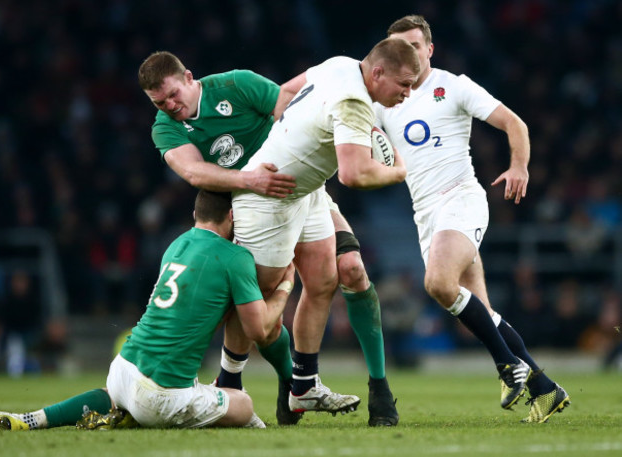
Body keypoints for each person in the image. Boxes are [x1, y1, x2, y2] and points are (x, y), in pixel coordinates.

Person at [138, 50, 401, 425]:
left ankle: (325, 383)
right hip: (251, 204)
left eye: (172, 95)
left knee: (342, 272)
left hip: (303, 188)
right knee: (255, 295)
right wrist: (252, 180)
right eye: (159, 102)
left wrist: (338, 137)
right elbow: (195, 173)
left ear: (189, 78)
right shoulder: (164, 126)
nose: (169, 106)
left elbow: (288, 105)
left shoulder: (235, 84)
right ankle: (242, 378)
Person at [375, 15, 570, 423]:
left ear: (429, 49)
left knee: (438, 283)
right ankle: (544, 389)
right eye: (398, 47)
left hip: (461, 198)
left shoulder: (453, 86)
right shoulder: (385, 99)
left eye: (414, 46)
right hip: (426, 214)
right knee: (478, 311)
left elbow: (513, 123)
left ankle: (507, 367)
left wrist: (520, 166)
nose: (406, 55)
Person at [0, 190, 295, 430]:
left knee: (115, 395)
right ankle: (143, 415)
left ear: (196, 212)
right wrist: (284, 288)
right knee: (244, 405)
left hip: (124, 367)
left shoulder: (176, 244)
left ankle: (34, 420)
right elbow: (258, 329)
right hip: (160, 394)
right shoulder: (234, 257)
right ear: (233, 215)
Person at [231, 39, 417, 417]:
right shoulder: (355, 103)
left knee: (324, 281)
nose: (408, 93)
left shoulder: (340, 64)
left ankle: (303, 386)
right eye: (404, 84)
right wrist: (400, 170)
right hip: (269, 199)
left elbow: (284, 92)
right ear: (378, 72)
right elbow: (353, 174)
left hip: (306, 191)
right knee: (261, 306)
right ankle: (226, 379)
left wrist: (292, 143)